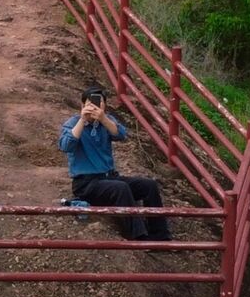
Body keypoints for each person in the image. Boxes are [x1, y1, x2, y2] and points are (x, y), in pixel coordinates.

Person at [58, 86, 171, 241]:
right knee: (120, 188)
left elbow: (121, 135)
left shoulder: (107, 121)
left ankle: (160, 235)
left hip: (109, 177)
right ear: (82, 105)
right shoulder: (73, 123)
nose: (94, 107)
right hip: (86, 184)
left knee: (148, 185)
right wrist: (83, 120)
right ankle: (139, 237)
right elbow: (65, 146)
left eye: (99, 103)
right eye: (90, 103)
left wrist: (103, 118)